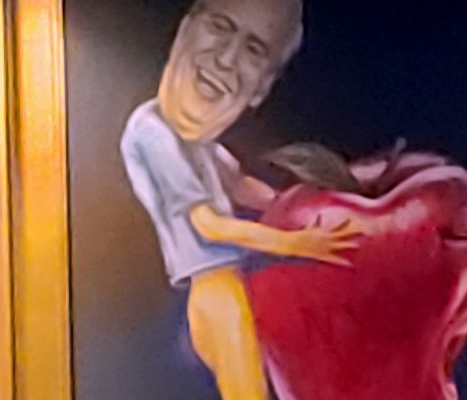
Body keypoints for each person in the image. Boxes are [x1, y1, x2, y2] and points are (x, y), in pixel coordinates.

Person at [119, 0, 359, 398]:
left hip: (232, 285)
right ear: (185, 30)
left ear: (261, 88)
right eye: (220, 26)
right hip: (215, 291)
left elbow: (241, 185)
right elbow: (209, 226)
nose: (227, 59)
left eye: (253, 50)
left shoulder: (195, 143)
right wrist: (292, 242)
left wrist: (302, 204)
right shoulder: (153, 132)